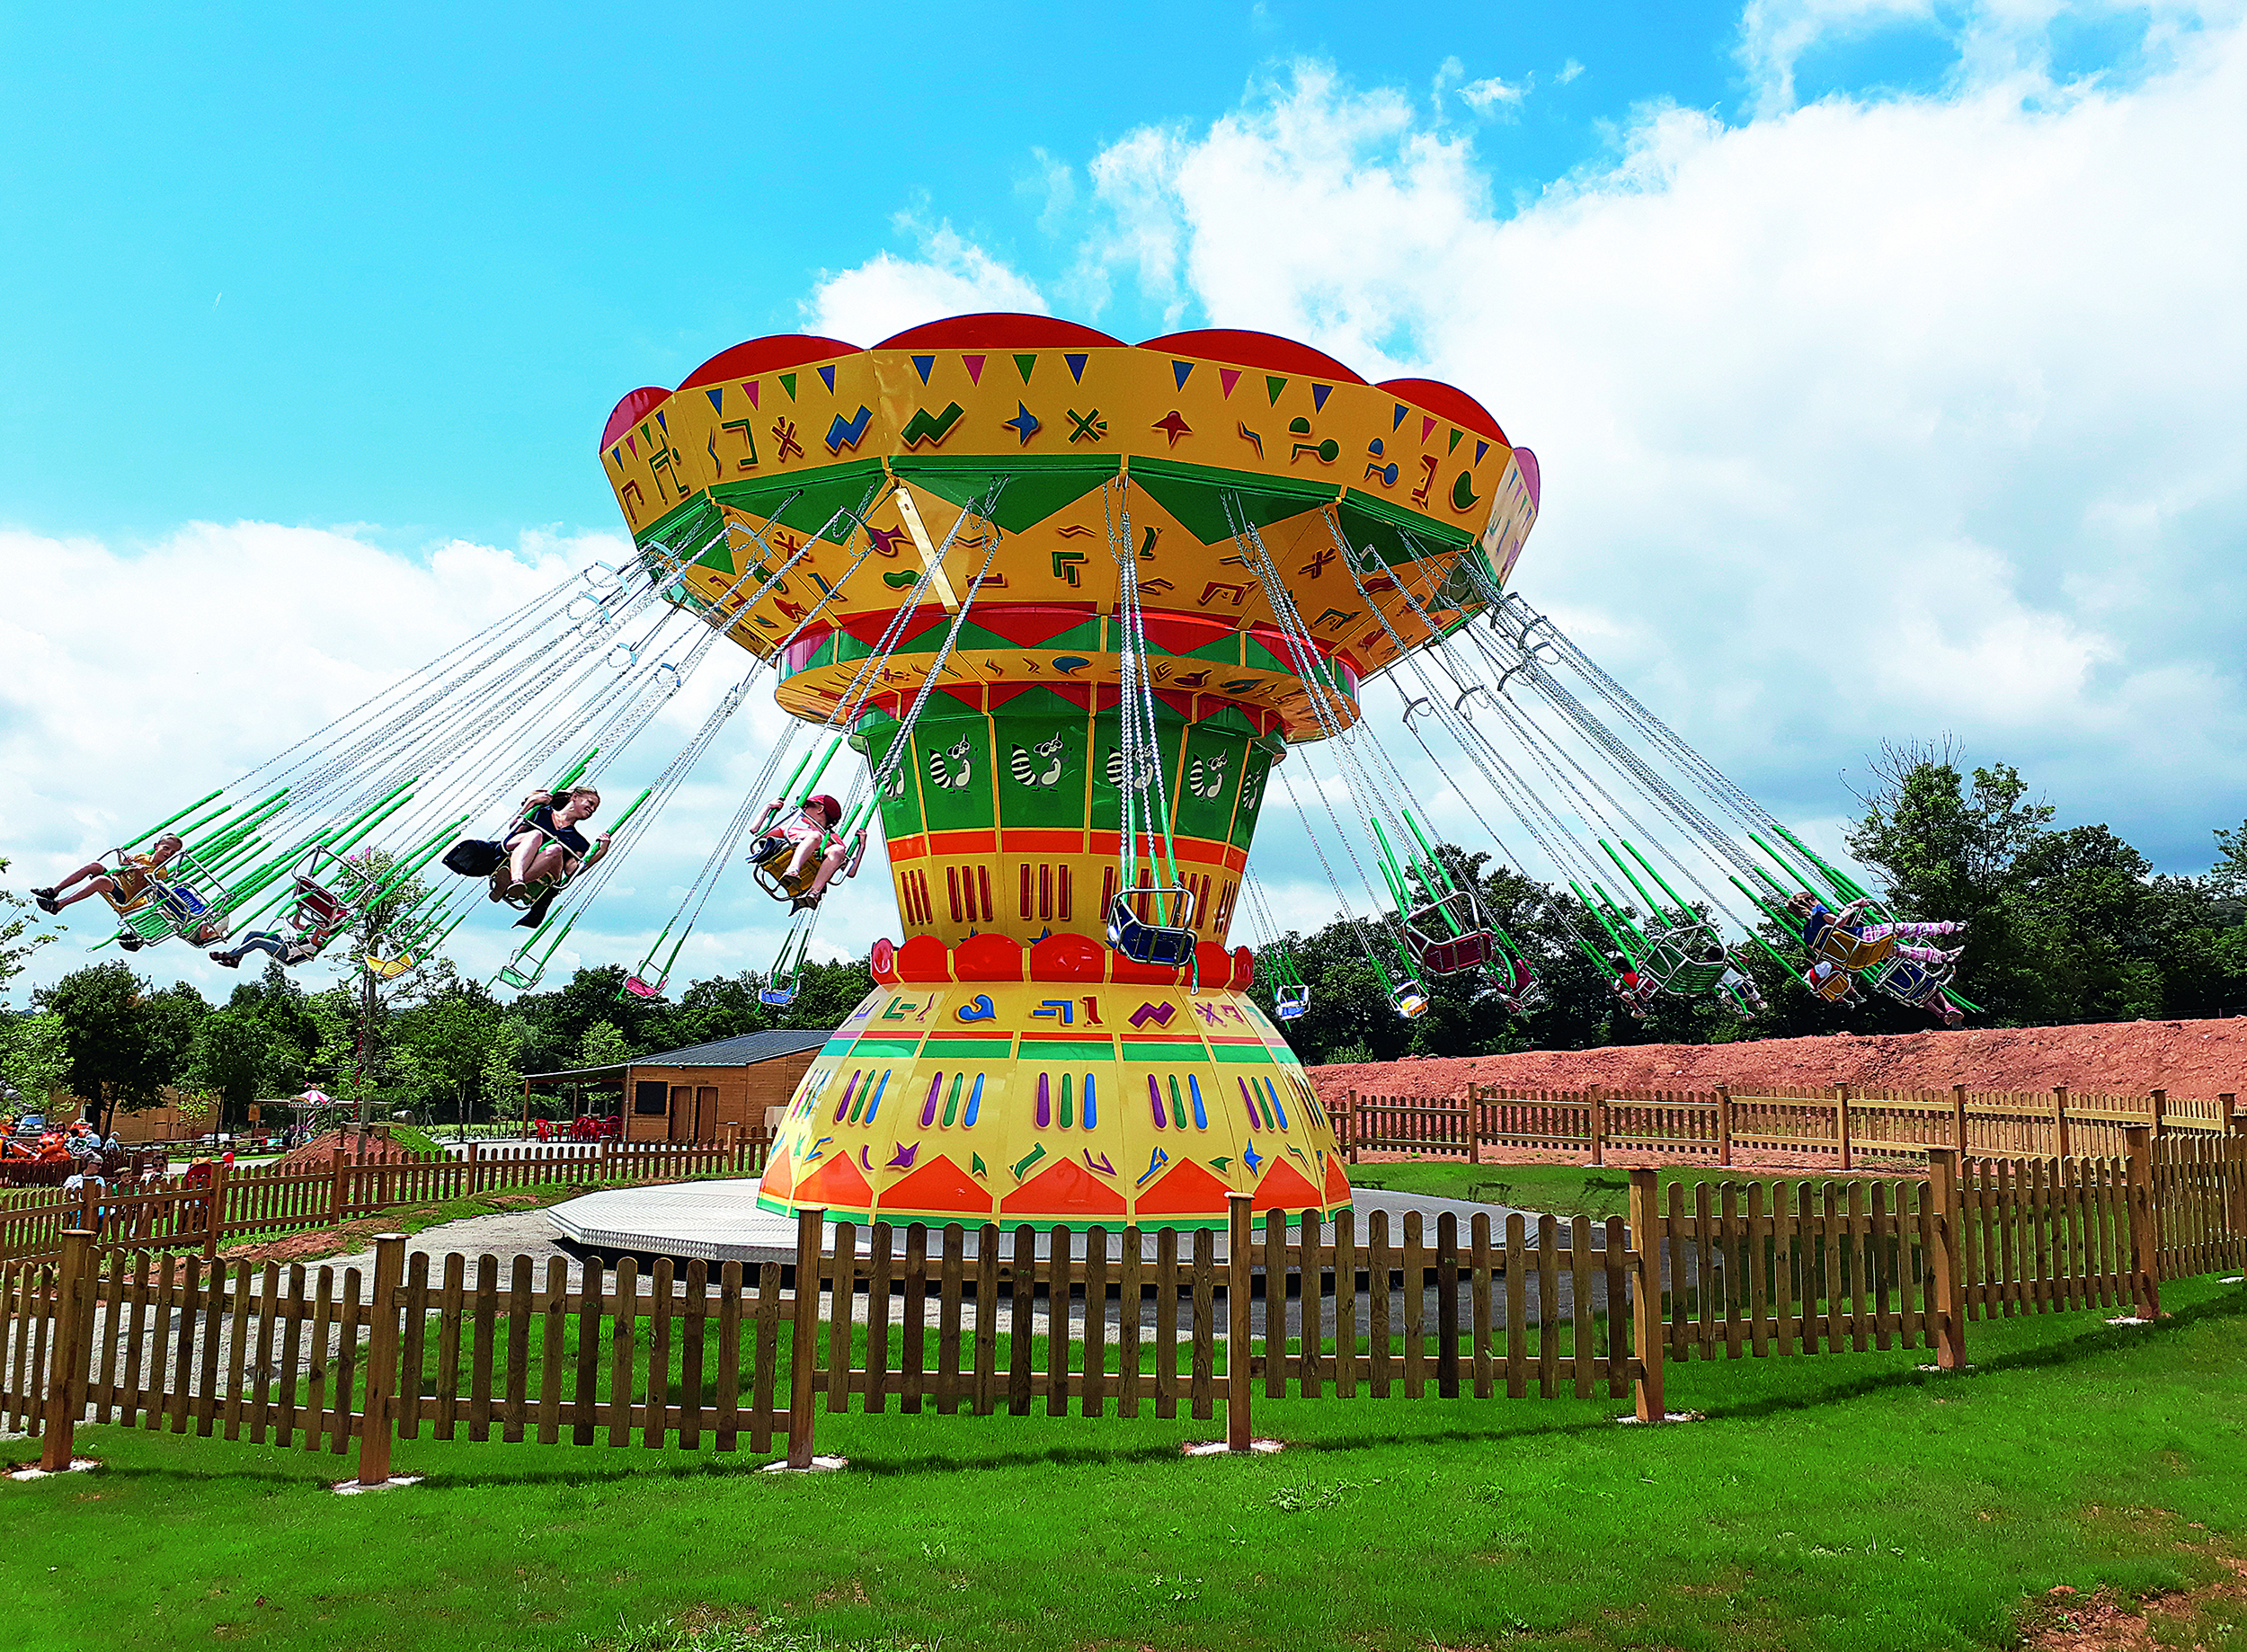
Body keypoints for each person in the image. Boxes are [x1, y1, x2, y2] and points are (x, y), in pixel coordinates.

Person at [494, 786, 611, 927]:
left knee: (555, 849)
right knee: (535, 835)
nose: (592, 810)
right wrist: (531, 803)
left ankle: (515, 882)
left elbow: (571, 870)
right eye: (590, 803)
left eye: (595, 809)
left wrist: (601, 852)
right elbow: (516, 829)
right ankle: (516, 879)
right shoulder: (542, 812)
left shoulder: (579, 842)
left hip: (544, 872)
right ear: (574, 797)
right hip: (516, 851)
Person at [1787, 893, 1963, 967]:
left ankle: (1944, 957)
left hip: (1858, 956)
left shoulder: (1806, 934)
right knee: (1905, 928)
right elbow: (1838, 922)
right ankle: (1949, 927)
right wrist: (1853, 905)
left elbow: (1829, 944)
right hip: (1865, 939)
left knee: (1903, 951)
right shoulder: (1818, 911)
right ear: (1810, 901)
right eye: (1814, 898)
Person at [750, 793, 858, 913]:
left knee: (837, 849)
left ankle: (814, 892)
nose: (804, 808)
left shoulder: (833, 839)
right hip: (786, 856)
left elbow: (851, 871)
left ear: (820, 809)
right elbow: (756, 831)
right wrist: (768, 807)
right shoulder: (793, 829)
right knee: (815, 836)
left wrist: (861, 845)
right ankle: (793, 870)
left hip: (815, 864)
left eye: (807, 806)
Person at [32, 834, 184, 915]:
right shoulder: (141, 857)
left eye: (173, 853)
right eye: (166, 848)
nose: (168, 853)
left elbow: (139, 892)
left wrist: (139, 875)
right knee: (95, 866)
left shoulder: (161, 872)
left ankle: (59, 905)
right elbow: (119, 871)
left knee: (102, 881)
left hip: (127, 897)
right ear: (156, 847)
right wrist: (125, 865)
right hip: (117, 882)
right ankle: (54, 891)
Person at [209, 929, 320, 969]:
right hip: (281, 940)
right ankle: (236, 959)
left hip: (286, 951)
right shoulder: (310, 929)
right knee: (252, 934)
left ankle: (230, 955)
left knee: (257, 941)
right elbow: (297, 923)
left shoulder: (317, 942)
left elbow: (322, 930)